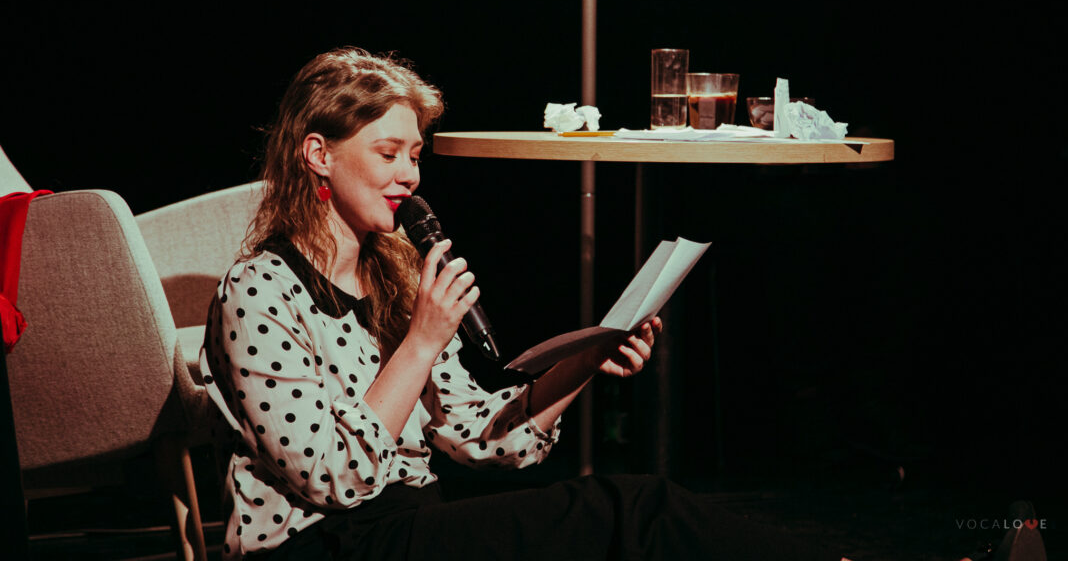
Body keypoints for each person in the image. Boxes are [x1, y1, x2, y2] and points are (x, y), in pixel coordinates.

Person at [200, 47, 845, 561]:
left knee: (621, 523)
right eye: (388, 153)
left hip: (408, 524)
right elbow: (329, 478)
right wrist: (422, 342)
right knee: (625, 511)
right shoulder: (259, 291)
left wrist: (586, 360)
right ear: (319, 154)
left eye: (415, 156)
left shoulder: (395, 277)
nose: (410, 175)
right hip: (318, 543)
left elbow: (484, 439)